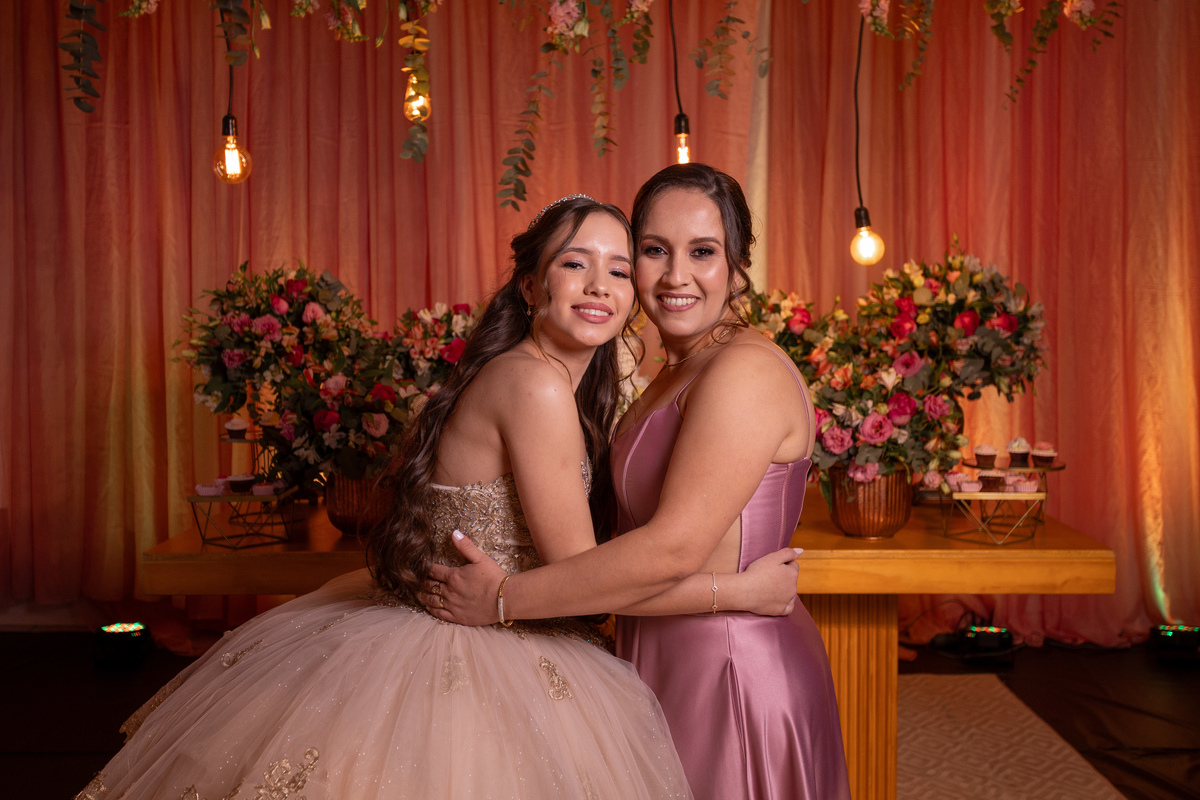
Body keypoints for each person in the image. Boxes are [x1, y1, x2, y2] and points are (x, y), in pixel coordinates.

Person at [76, 195, 801, 800]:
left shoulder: (559, 379)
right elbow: (583, 581)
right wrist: (735, 590)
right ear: (530, 286)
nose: (599, 287)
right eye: (574, 264)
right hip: (476, 646)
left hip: (473, 626)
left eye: (617, 269)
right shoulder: (537, 385)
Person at [424, 166, 852, 800]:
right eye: (655, 250)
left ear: (738, 268)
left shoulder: (743, 372)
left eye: (703, 252)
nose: (676, 276)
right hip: (661, 651)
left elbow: (673, 548)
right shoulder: (677, 370)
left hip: (731, 667)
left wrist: (505, 598)